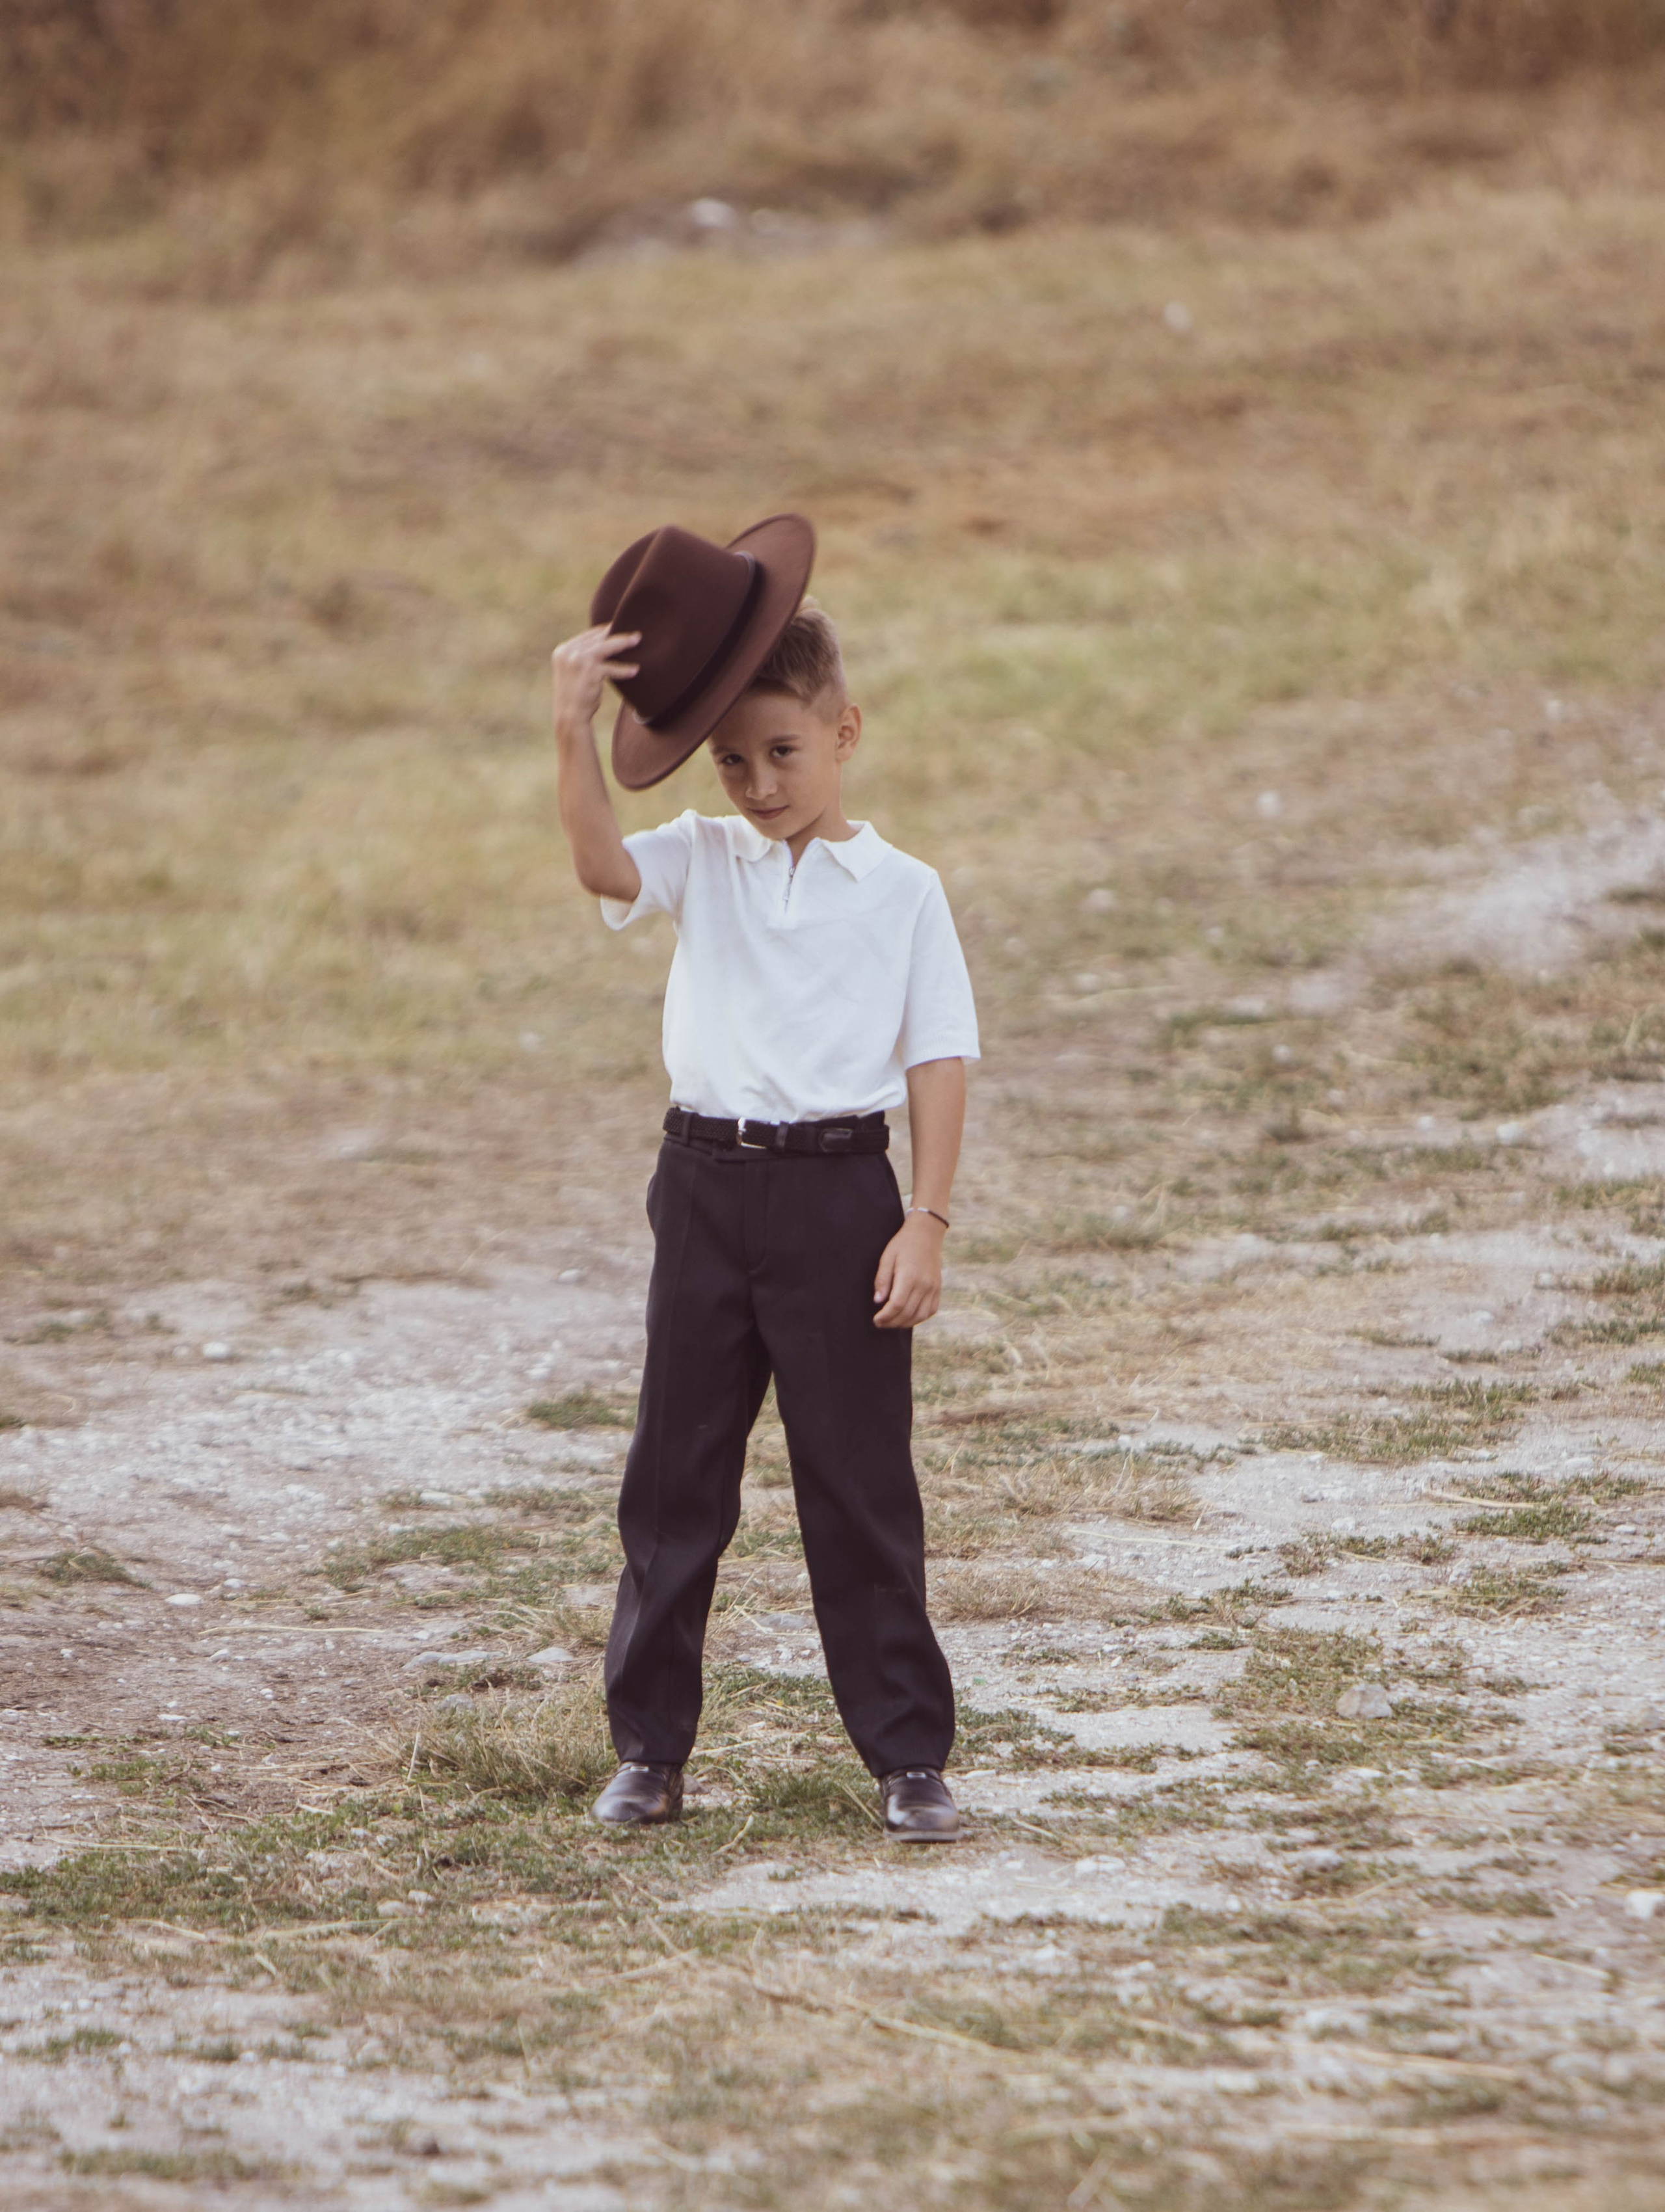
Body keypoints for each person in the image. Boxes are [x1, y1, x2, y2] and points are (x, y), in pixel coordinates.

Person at [550, 514, 979, 1842]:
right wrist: (571, 735)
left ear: (845, 734)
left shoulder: (901, 891)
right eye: (732, 758)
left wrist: (926, 1216)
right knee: (674, 1480)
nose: (756, 781)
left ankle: (908, 1757)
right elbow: (598, 865)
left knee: (857, 1485)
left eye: (782, 752)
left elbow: (939, 1055)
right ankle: (649, 1752)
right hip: (704, 1188)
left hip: (842, 1198)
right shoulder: (703, 855)